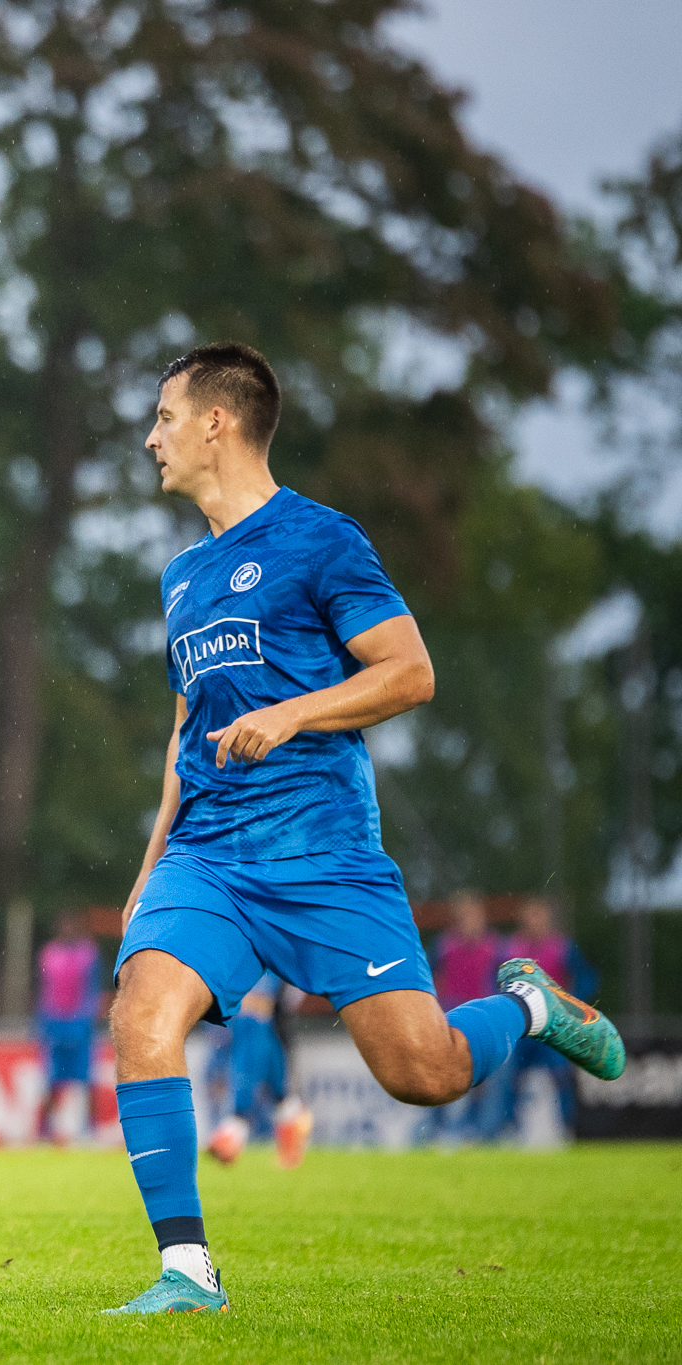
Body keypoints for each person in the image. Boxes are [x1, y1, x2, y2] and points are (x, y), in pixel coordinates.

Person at [104, 343, 625, 1315]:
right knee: (139, 1015)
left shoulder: (318, 540)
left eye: (164, 417)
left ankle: (528, 1009)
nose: (150, 437)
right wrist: (147, 871)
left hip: (322, 858)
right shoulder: (179, 576)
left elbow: (409, 671)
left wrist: (292, 713)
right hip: (207, 860)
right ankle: (185, 1272)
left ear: (216, 421)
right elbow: (185, 729)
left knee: (420, 1073)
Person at [499, 896, 599, 1136]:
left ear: (548, 918)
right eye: (531, 916)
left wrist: (569, 1003)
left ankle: (568, 1127)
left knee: (561, 1076)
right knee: (510, 1078)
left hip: (553, 1027)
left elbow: (587, 978)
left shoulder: (562, 947)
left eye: (540, 916)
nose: (535, 922)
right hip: (523, 1028)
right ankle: (510, 1129)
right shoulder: (510, 949)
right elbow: (493, 981)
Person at [201, 972, 313, 1168]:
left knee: (253, 1011)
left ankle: (238, 1122)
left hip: (277, 959)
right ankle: (289, 1110)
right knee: (251, 1017)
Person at [425, 890, 507, 1140]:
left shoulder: (497, 949)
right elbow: (425, 980)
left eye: (474, 916)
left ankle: (487, 1132)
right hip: (451, 1019)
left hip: (484, 1020)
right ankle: (434, 1129)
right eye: (465, 917)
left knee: (496, 1072)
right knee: (436, 1071)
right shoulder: (443, 947)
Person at [34, 912, 103, 1145]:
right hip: (55, 1025)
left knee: (88, 1081)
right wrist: (45, 1024)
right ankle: (44, 1130)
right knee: (51, 1081)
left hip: (81, 1027)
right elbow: (45, 992)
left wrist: (85, 1022)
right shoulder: (49, 954)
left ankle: (91, 1129)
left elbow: (91, 991)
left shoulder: (88, 954)